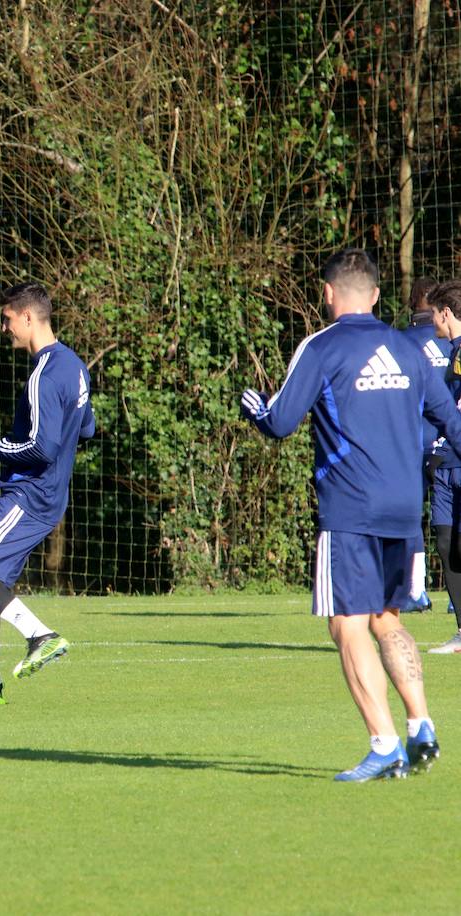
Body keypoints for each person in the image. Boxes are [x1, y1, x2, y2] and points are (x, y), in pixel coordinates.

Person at [240, 248, 459, 780]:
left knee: (347, 624)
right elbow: (452, 421)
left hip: (351, 508)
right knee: (388, 619)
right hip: (406, 505)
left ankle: (383, 745)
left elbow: (281, 421)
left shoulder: (322, 347)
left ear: (327, 292)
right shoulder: (409, 349)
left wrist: (256, 409)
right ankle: (421, 724)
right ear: (378, 295)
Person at [0, 282, 93, 707]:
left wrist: (2, 446)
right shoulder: (76, 366)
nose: (3, 327)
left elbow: (41, 448)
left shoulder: (43, 374)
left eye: (7, 319)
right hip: (49, 496)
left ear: (28, 318)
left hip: (29, 495)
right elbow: (87, 427)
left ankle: (39, 634)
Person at [399, 275, 446, 612]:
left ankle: (416, 590)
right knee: (453, 517)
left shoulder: (399, 343)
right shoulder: (452, 340)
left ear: (412, 304)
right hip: (450, 442)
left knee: (410, 516)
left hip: (410, 442)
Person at [425, 280, 461, 653]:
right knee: (446, 540)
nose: (429, 319)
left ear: (445, 314)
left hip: (458, 460)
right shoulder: (451, 352)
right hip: (445, 461)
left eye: (433, 313)